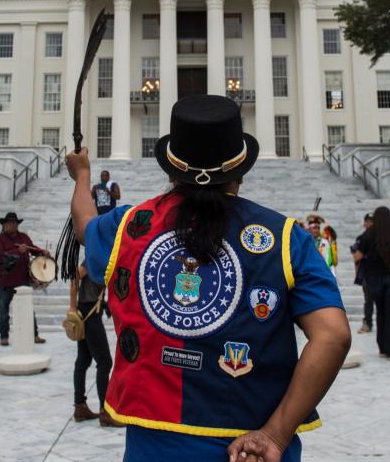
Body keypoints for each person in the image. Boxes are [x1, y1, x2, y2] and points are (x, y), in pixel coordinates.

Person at [67, 95, 351, 461]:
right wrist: (276, 435)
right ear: (241, 171)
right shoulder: (285, 238)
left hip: (155, 448)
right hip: (251, 448)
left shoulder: (128, 228)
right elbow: (333, 335)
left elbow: (83, 225)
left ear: (171, 170)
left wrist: (82, 175)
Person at [352, 207, 390, 360]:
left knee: (380, 312)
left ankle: (382, 348)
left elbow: (357, 257)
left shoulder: (369, 234)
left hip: (375, 279)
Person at [70, 260, 122, 427]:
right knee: (105, 361)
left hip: (90, 309)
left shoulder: (99, 256)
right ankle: (105, 411)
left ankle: (80, 407)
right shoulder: (93, 258)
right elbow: (75, 276)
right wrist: (72, 307)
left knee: (83, 360)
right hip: (89, 312)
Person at [0, 211, 49, 346]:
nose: (12, 225)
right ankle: (4, 336)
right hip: (4, 281)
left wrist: (42, 252)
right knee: (3, 311)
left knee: (29, 309)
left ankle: (34, 335)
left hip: (22, 281)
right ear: (4, 225)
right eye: (9, 223)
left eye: (14, 223)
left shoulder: (23, 237)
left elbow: (33, 249)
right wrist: (18, 251)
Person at [350, 214, 374, 334]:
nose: (369, 224)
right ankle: (367, 322)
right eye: (368, 221)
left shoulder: (381, 236)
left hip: (378, 272)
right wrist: (357, 273)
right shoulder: (362, 238)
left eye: (371, 222)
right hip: (367, 272)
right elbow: (356, 257)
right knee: (368, 300)